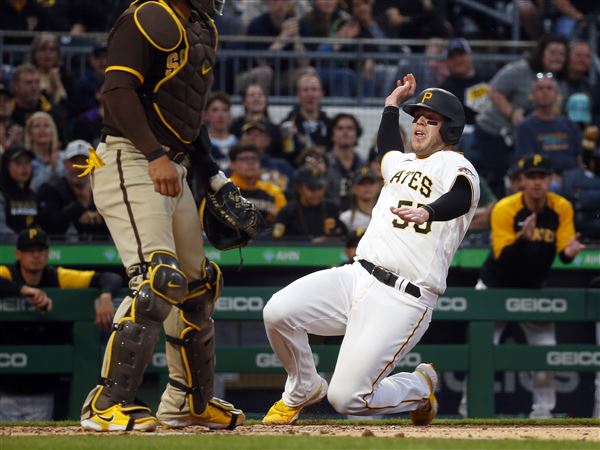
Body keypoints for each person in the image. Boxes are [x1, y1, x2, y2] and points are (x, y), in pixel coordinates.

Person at [78, 0, 259, 433]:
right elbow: (117, 92)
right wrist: (156, 154)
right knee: (158, 280)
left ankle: (186, 403)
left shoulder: (201, 27)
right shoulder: (147, 16)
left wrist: (212, 173)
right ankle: (105, 404)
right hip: (130, 156)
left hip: (172, 163)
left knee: (197, 288)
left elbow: (187, 112)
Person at [262, 75, 480, 424]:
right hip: (357, 276)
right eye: (418, 117)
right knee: (278, 313)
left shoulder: (455, 164)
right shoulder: (403, 163)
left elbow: (462, 195)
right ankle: (303, 385)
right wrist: (392, 107)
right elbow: (387, 148)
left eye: (431, 119)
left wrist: (429, 211)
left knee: (347, 399)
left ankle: (419, 387)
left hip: (403, 297)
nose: (420, 123)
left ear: (450, 130)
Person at [460, 154, 586, 419]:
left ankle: (543, 413)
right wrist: (522, 239)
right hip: (496, 285)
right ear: (522, 180)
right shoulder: (506, 208)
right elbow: (503, 256)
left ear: (551, 179)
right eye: (532, 177)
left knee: (544, 353)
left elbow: (563, 252)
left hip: (532, 288)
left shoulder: (561, 207)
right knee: (482, 350)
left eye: (543, 176)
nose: (537, 182)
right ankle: (468, 410)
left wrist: (570, 253)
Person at [0, 226, 121, 421]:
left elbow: (109, 277)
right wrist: (23, 290)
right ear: (18, 254)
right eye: (30, 251)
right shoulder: (7, 273)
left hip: (44, 390)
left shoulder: (57, 276)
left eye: (40, 250)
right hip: (5, 387)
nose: (36, 256)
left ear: (48, 253)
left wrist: (106, 295)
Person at [466, 34, 569, 198]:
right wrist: (512, 113)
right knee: (497, 179)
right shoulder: (520, 69)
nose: (557, 57)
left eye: (562, 54)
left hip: (522, 138)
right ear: (541, 53)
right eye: (553, 52)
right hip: (493, 131)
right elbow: (494, 90)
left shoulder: (561, 82)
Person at [36, 139, 110, 240]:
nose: (79, 167)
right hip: (60, 251)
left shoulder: (104, 190)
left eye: (85, 161)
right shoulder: (50, 189)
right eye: (74, 161)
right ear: (65, 163)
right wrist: (78, 207)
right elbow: (48, 226)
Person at [515, 73, 582, 175]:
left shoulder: (569, 124)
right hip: (542, 177)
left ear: (557, 95)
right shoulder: (524, 127)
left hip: (572, 178)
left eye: (549, 88)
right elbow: (527, 162)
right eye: (540, 88)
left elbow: (579, 158)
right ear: (532, 95)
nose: (545, 92)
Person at [272, 166, 345, 242]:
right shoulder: (287, 212)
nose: (317, 193)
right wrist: (309, 241)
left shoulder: (331, 209)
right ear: (299, 188)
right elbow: (276, 239)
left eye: (320, 187)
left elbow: (343, 235)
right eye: (311, 188)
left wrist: (328, 239)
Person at [279, 71, 332, 164]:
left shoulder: (331, 125)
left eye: (314, 89)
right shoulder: (287, 125)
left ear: (321, 93)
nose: (310, 94)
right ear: (298, 94)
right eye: (305, 90)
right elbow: (286, 156)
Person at [228, 142, 286, 224]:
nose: (250, 162)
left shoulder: (274, 192)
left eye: (254, 158)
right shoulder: (225, 190)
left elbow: (283, 223)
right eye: (244, 159)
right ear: (232, 164)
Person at [325, 113, 366, 210]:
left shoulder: (364, 165)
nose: (345, 132)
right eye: (340, 128)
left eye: (350, 128)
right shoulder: (323, 163)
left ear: (356, 135)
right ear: (332, 135)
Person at [0, 145, 38, 242]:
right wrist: (26, 243)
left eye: (27, 162)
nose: (24, 167)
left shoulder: (33, 194)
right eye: (18, 163)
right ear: (6, 166)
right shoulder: (2, 194)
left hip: (34, 250)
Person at [339, 166, 381, 232]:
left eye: (371, 183)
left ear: (378, 186)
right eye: (362, 183)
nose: (367, 187)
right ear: (353, 188)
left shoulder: (387, 214)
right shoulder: (346, 218)